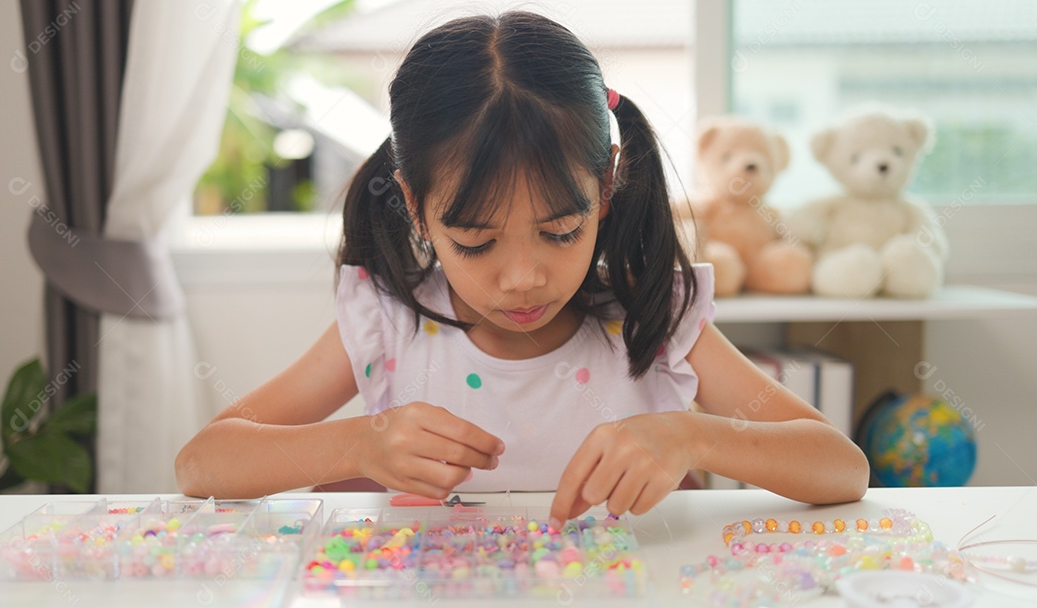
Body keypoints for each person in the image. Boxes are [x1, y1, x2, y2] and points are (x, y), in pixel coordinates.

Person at [175, 11, 868, 529]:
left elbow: (840, 466)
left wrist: (692, 436)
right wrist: (358, 444)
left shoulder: (650, 318)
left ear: (605, 188)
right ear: (415, 206)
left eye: (560, 232)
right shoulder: (391, 319)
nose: (522, 279)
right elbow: (204, 462)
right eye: (476, 242)